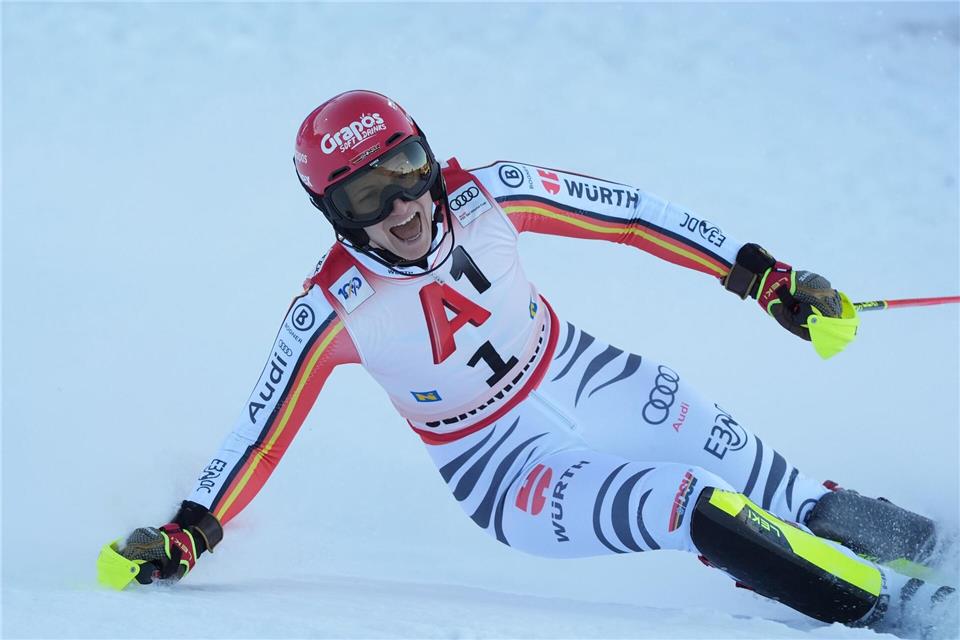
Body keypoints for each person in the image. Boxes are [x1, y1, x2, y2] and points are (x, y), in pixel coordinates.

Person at [100, 90, 954, 636]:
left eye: (407, 171)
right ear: (332, 213)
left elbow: (632, 217)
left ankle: (941, 557)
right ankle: (905, 616)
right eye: (368, 195)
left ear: (429, 156)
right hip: (504, 469)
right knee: (686, 503)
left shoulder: (491, 193)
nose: (404, 207)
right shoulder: (331, 309)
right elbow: (261, 436)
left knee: (791, 493)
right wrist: (189, 533)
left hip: (591, 375)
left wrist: (762, 276)